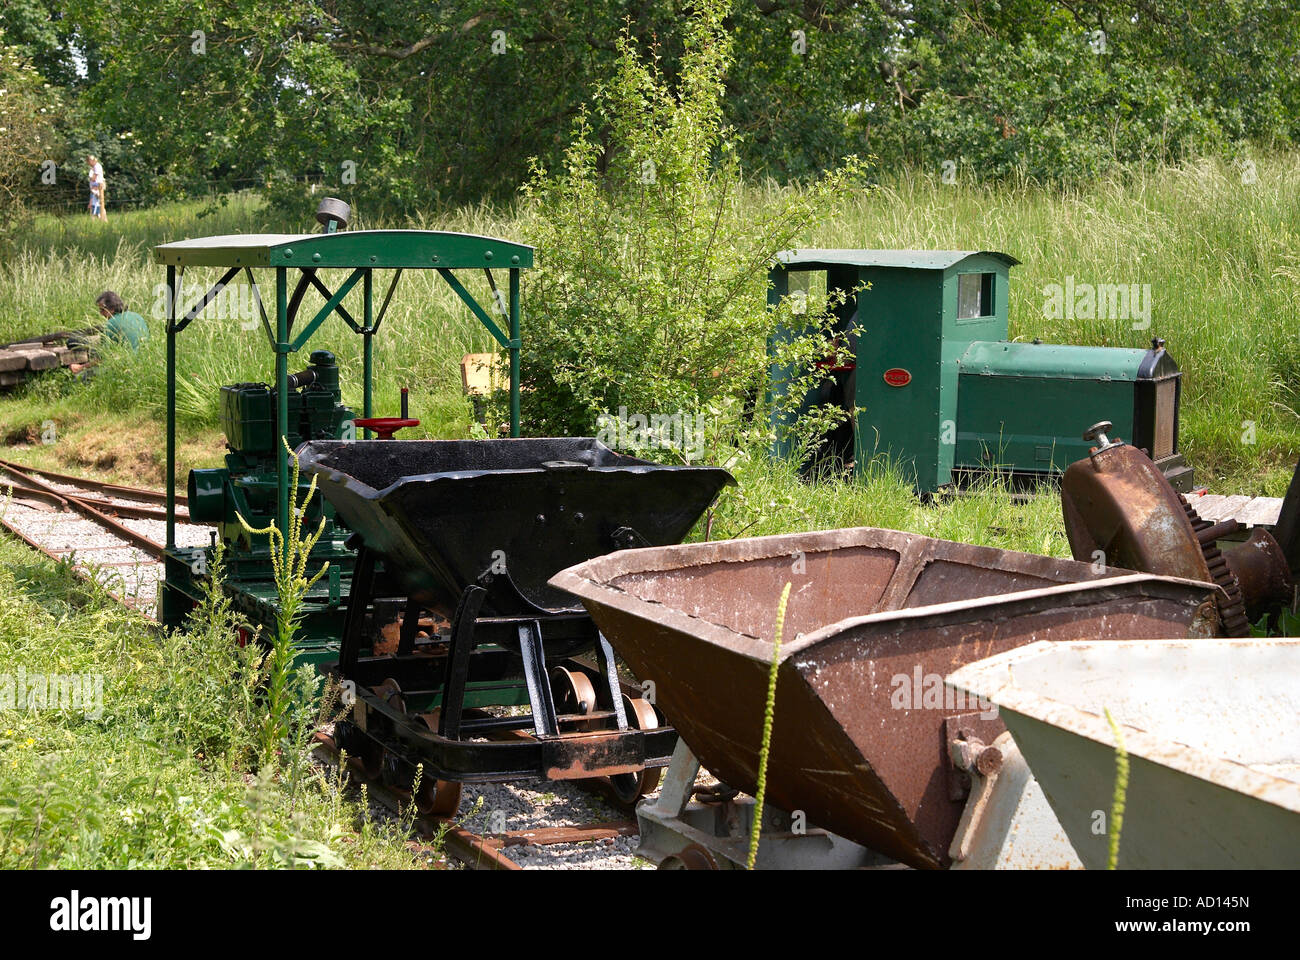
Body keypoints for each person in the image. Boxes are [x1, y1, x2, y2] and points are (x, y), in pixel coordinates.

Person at [68, 291, 148, 374]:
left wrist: (80, 367)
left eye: (102, 310)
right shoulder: (137, 316)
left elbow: (102, 358)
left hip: (125, 364)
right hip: (143, 360)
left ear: (112, 309)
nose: (100, 313)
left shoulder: (110, 325)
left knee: (81, 377)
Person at [87, 155, 107, 222]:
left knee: (98, 204)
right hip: (94, 188)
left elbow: (93, 178)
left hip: (97, 188)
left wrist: (91, 178)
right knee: (95, 204)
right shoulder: (93, 167)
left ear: (91, 161)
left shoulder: (97, 167)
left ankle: (103, 220)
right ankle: (100, 220)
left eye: (89, 162)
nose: (88, 164)